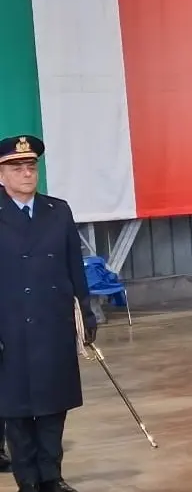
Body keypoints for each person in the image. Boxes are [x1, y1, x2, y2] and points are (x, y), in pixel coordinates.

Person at [0, 135, 96, 492]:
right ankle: (28, 482)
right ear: (1, 175)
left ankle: (52, 478)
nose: (26, 173)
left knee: (54, 407)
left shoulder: (58, 211)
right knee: (17, 412)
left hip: (52, 326)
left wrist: (85, 314)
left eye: (31, 166)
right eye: (16, 168)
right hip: (9, 329)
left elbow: (74, 269)